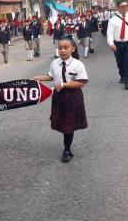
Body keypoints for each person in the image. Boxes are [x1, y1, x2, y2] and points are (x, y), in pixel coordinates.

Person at [33, 35, 88, 163]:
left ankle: (67, 149)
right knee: (63, 125)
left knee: (69, 126)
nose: (62, 51)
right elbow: (51, 76)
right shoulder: (55, 63)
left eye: (66, 48)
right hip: (59, 97)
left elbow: (81, 83)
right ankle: (67, 146)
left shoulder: (78, 65)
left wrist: (64, 85)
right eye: (60, 48)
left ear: (73, 49)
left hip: (73, 97)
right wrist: (39, 78)